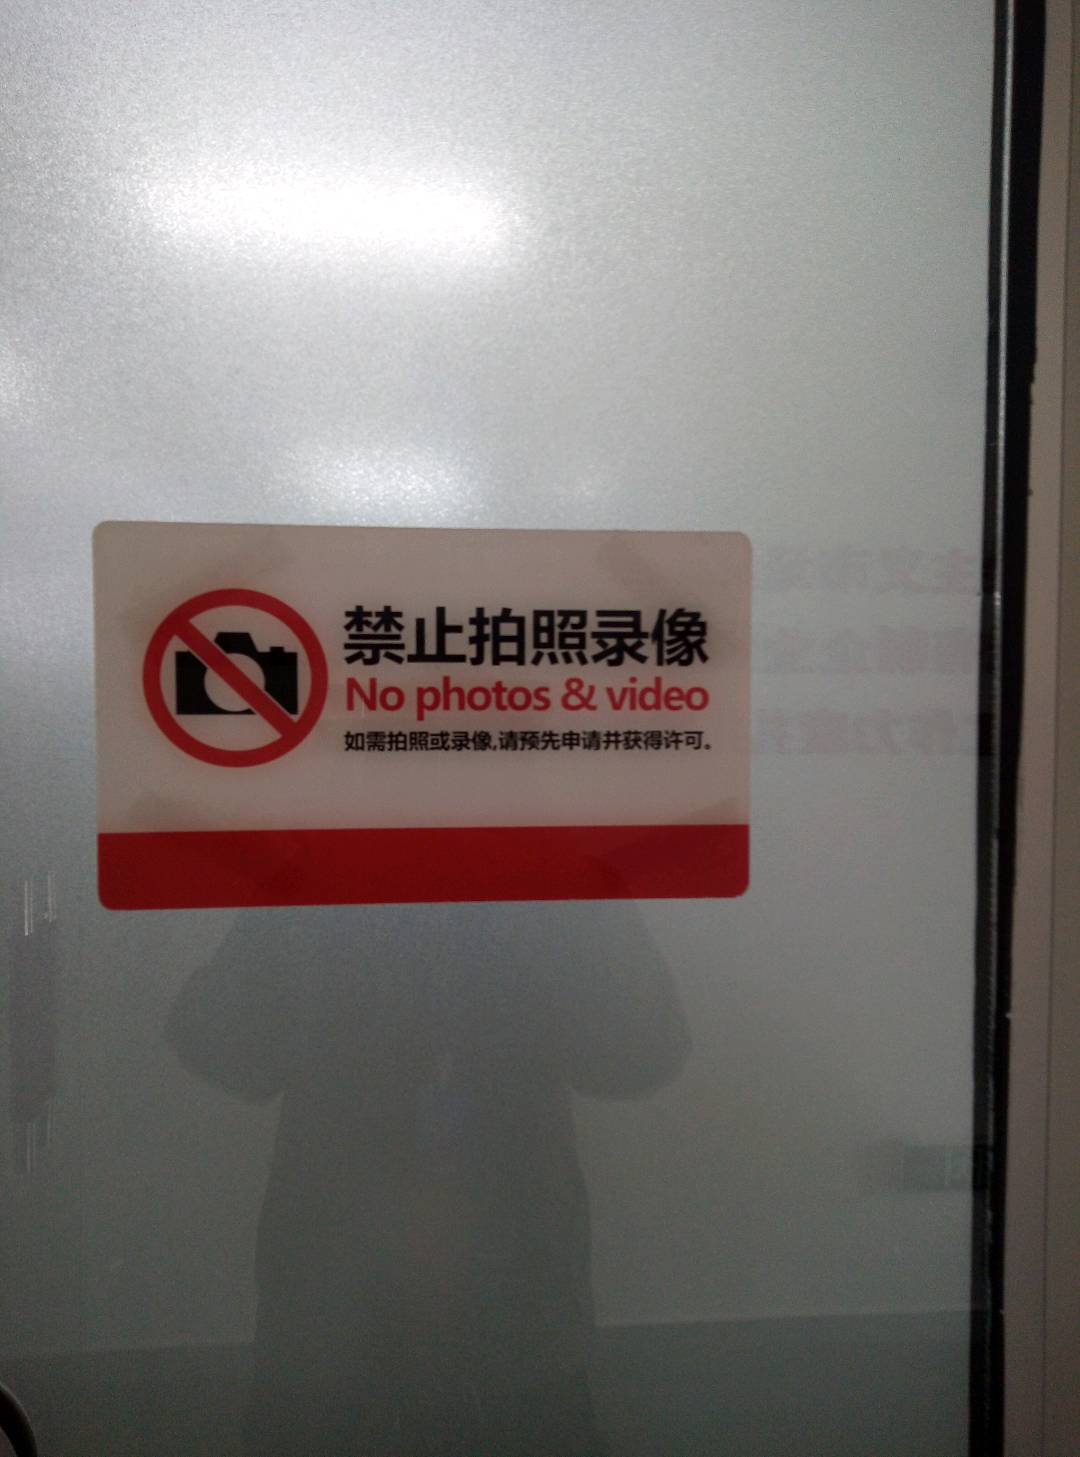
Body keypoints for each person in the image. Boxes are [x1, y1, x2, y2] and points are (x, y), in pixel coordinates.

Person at [166, 898, 690, 1456]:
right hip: (476, 1315)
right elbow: (644, 1048)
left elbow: (645, 1047)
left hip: (374, 1316)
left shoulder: (325, 883)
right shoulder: (539, 879)